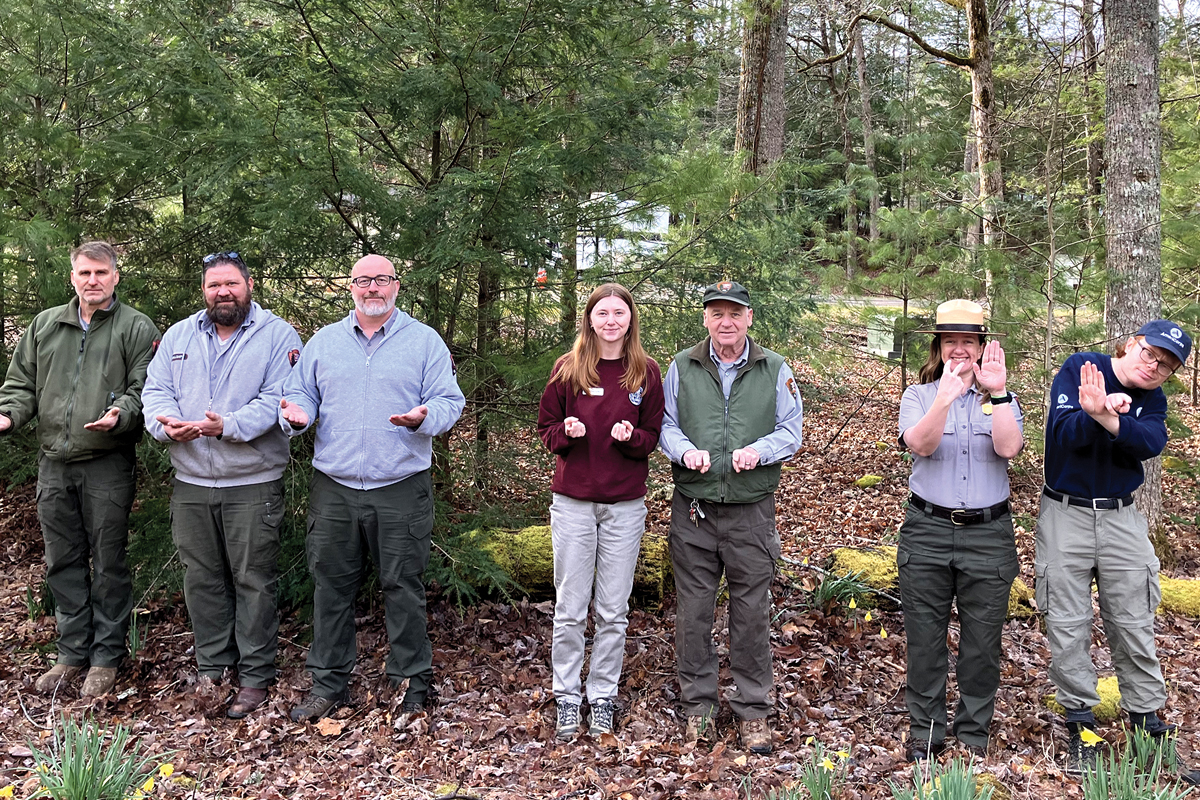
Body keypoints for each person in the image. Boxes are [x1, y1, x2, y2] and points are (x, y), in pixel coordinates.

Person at [280, 254, 465, 724]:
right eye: (363, 280)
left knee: (402, 586)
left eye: (381, 280)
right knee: (330, 587)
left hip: (400, 485)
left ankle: (411, 684)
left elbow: (449, 400)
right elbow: (301, 394)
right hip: (335, 487)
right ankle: (328, 684)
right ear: (351, 288)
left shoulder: (423, 342)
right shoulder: (325, 342)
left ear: (396, 286)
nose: (372, 288)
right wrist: (297, 415)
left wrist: (425, 416)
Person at [142, 252, 303, 718]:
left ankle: (255, 676)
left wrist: (227, 426)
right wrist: (165, 425)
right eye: (214, 285)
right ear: (204, 290)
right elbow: (155, 391)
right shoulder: (179, 335)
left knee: (253, 580)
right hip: (191, 481)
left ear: (249, 285)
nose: (223, 292)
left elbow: (280, 398)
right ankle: (213, 668)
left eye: (231, 283)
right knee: (202, 578)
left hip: (252, 481)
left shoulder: (278, 336)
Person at [0, 241, 160, 698]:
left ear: (116, 276)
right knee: (63, 561)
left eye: (101, 272)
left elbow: (145, 388)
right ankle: (71, 653)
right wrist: (8, 415)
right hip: (53, 463)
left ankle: (106, 657)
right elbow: (21, 385)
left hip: (106, 462)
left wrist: (121, 413)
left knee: (108, 562)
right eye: (85, 272)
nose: (93, 280)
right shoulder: (46, 325)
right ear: (72, 277)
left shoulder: (136, 327)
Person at [1040, 320, 1193, 773]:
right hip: (1065, 513)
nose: (1154, 367)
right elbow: (1064, 434)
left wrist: (1109, 417)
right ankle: (1082, 728)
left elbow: (1150, 443)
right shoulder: (1081, 368)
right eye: (1150, 353)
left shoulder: (1153, 399)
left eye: (1166, 366)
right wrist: (1094, 410)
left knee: (1134, 623)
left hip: (1122, 518)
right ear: (1131, 344)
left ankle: (1147, 727)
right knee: (1067, 623)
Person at [659, 280, 802, 754]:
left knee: (751, 613)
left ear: (749, 318)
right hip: (694, 511)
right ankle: (698, 707)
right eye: (717, 313)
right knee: (694, 612)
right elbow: (664, 425)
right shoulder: (681, 367)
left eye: (735, 313)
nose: (726, 322)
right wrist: (684, 452)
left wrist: (760, 451)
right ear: (705, 318)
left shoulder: (773, 368)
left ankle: (753, 709)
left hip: (751, 513)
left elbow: (791, 431)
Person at [537, 284, 665, 741]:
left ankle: (603, 695)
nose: (611, 321)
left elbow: (653, 436)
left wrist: (631, 438)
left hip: (624, 506)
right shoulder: (569, 368)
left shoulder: (646, 372)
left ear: (631, 320)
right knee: (571, 607)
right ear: (589, 319)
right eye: (603, 313)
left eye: (619, 313)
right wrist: (567, 432)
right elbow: (547, 429)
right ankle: (567, 697)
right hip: (574, 503)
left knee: (613, 610)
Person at [897, 299, 1023, 762]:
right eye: (950, 341)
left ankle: (972, 733)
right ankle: (925, 730)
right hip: (927, 530)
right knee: (924, 639)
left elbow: (1009, 448)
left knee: (982, 643)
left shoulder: (1003, 398)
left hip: (988, 535)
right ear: (939, 346)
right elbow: (921, 445)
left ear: (981, 346)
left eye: (968, 341)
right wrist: (945, 398)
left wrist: (998, 392)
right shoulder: (918, 396)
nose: (959, 349)